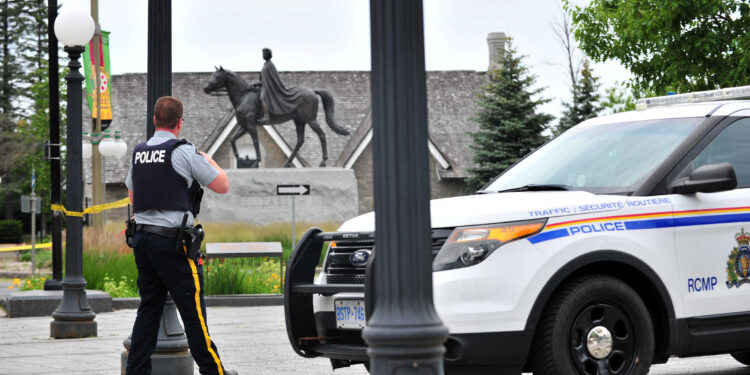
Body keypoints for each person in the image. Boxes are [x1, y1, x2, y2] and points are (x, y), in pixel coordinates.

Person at [124, 96, 236, 375]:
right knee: (194, 315)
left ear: (154, 121)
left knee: (148, 310)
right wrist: (209, 160)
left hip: (143, 242)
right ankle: (215, 373)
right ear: (179, 123)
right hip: (172, 245)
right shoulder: (183, 151)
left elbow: (132, 196)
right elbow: (222, 185)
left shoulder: (139, 153)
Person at [256, 48, 296, 124]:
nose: (263, 55)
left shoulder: (270, 65)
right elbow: (264, 80)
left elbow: (274, 79)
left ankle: (266, 117)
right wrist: (257, 84)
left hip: (271, 88)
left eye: (265, 54)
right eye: (263, 54)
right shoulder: (265, 65)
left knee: (262, 97)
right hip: (265, 87)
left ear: (269, 55)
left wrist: (264, 84)